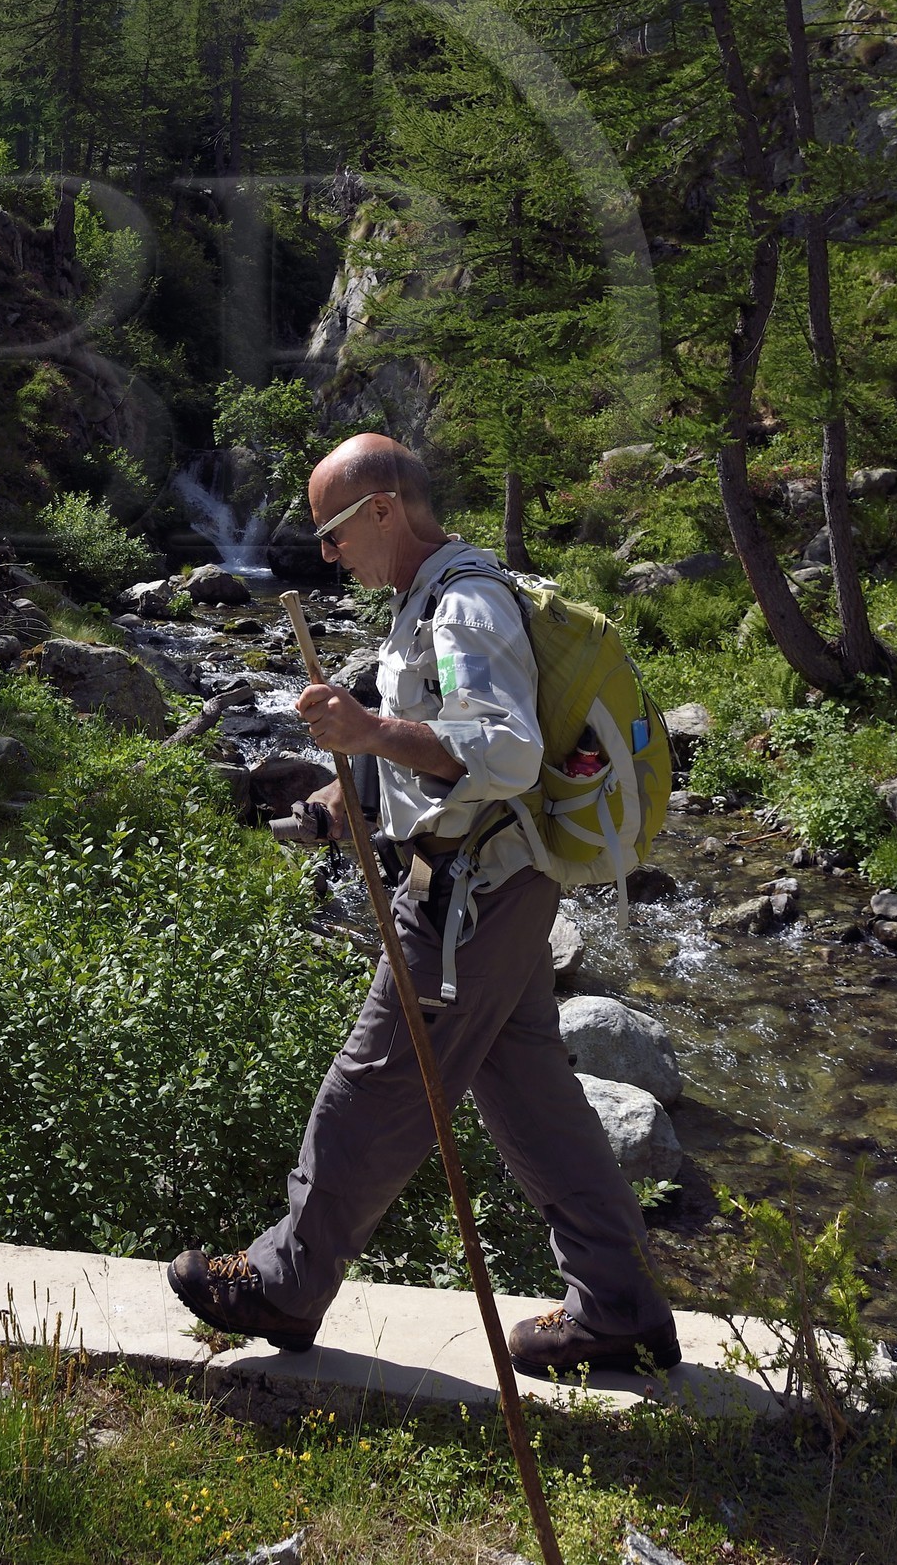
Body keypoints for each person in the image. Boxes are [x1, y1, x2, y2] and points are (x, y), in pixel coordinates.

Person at [167, 432, 679, 1376]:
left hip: (471, 892)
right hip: (499, 881)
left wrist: (365, 727)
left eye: (331, 531)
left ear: (383, 511)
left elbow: (503, 749)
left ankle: (285, 1280)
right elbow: (436, 755)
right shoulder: (423, 604)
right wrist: (349, 798)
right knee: (531, 1100)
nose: (325, 553)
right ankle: (622, 1307)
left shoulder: (465, 603)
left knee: (374, 1079)